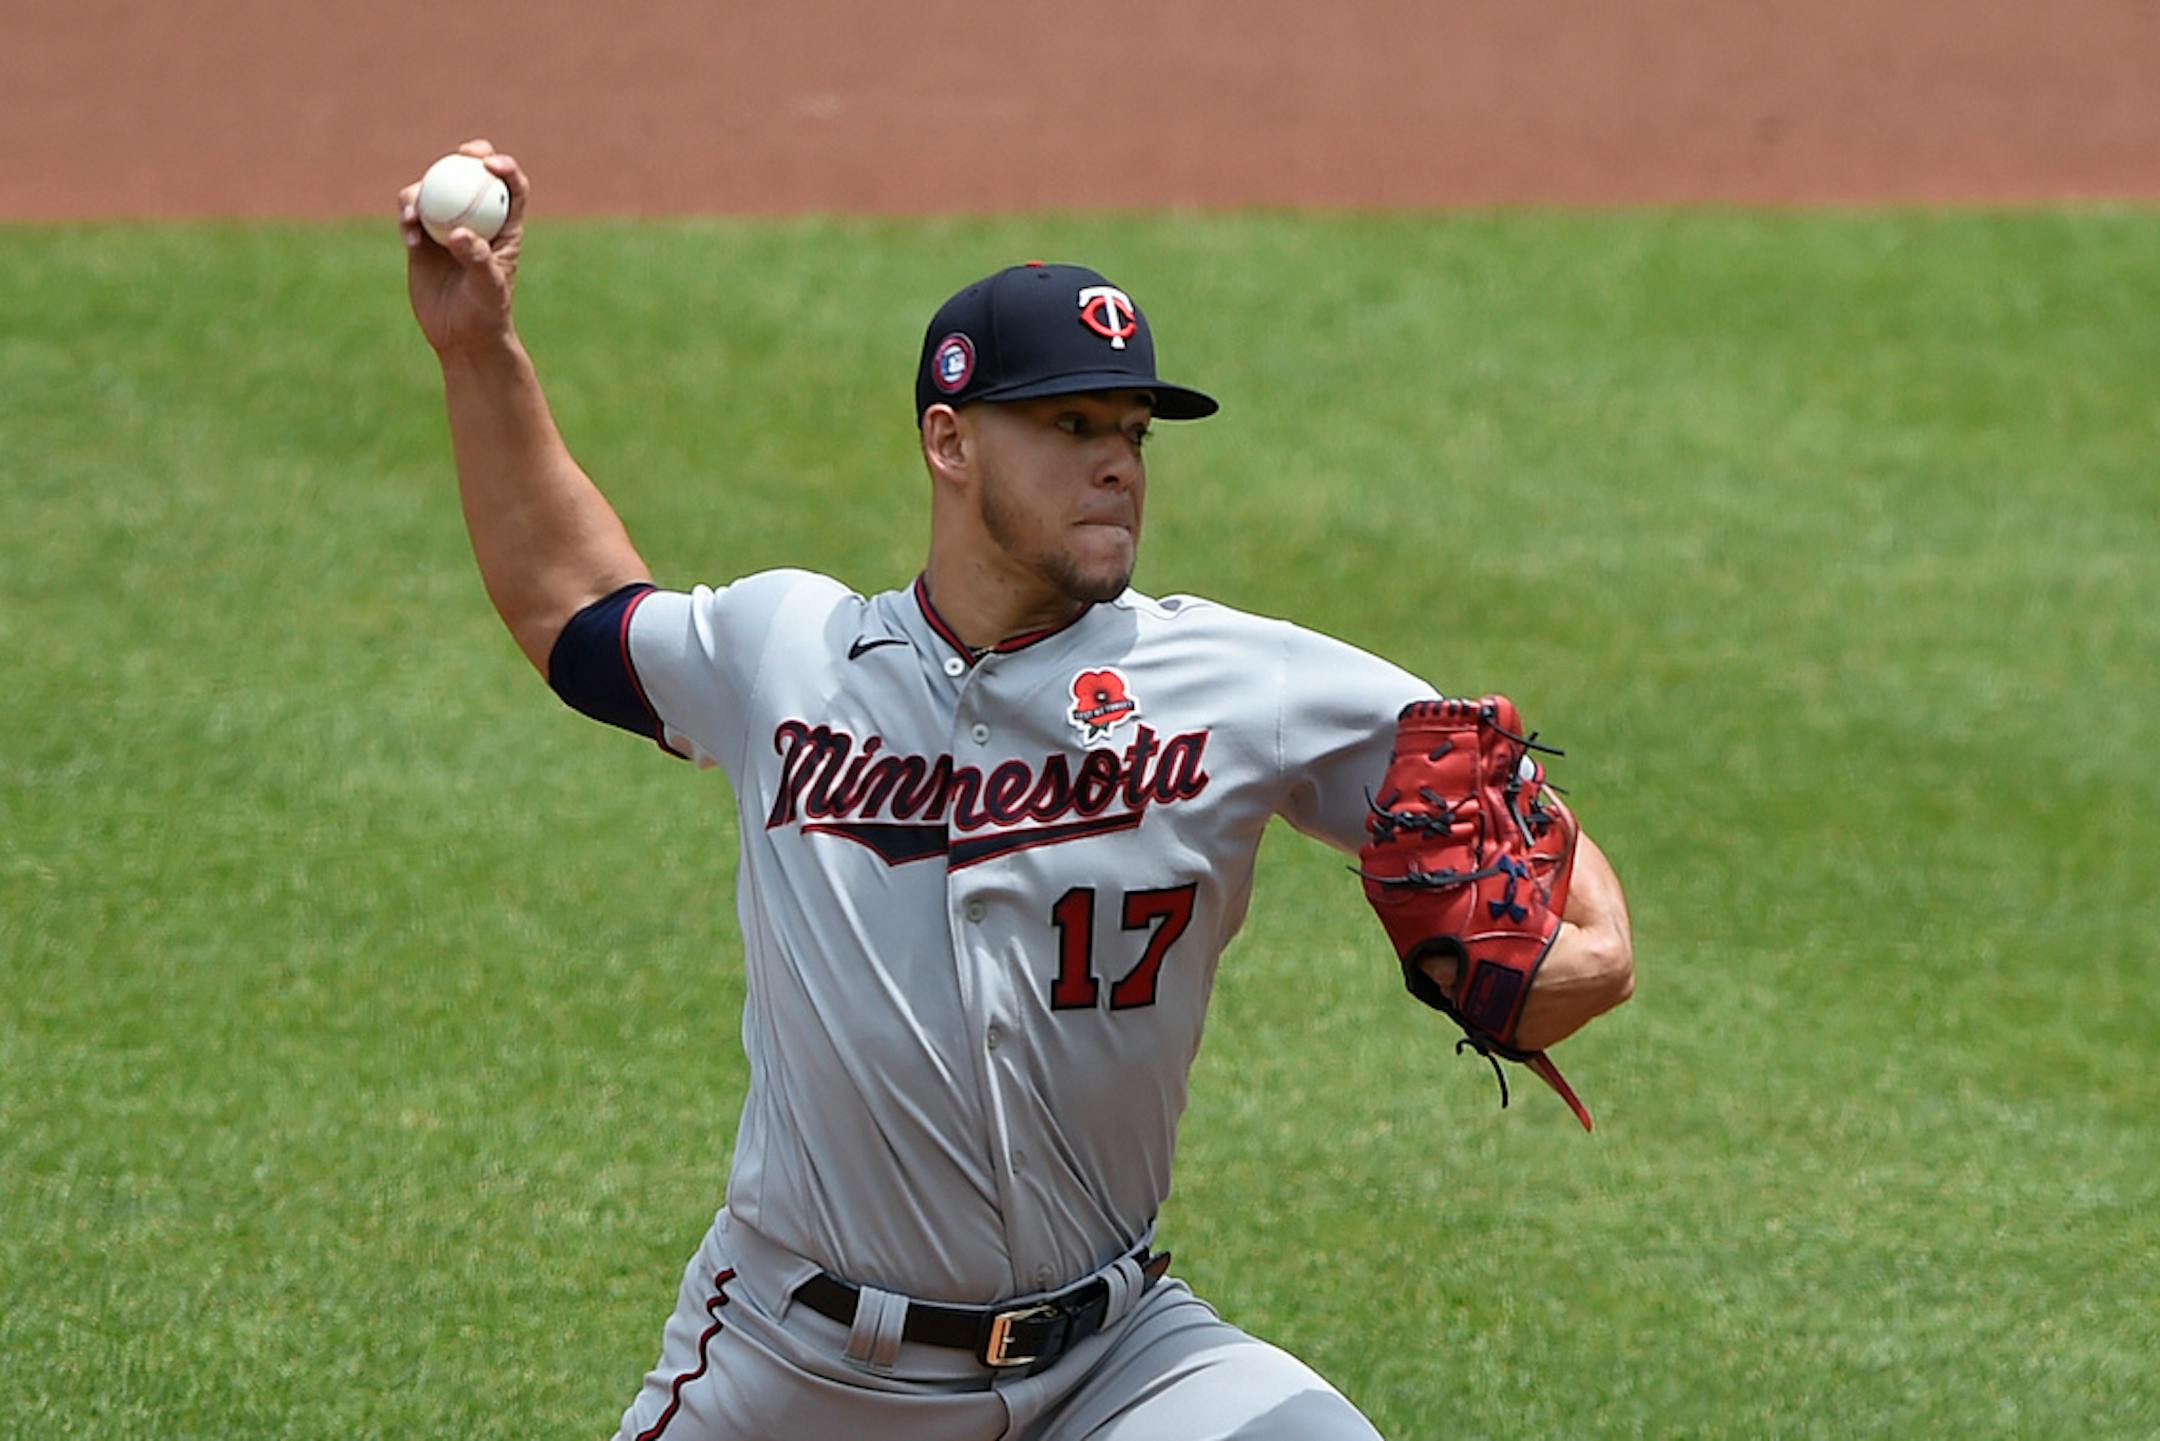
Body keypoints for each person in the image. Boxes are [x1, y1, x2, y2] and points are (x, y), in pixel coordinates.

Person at [398, 139, 1635, 1441]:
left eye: (1131, 433)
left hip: (1116, 1360)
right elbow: (576, 609)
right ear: (949, 440)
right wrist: (479, 348)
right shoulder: (788, 655)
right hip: (797, 1369)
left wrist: (1596, 948)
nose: (1119, 464)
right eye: (1069, 425)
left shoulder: (1236, 679)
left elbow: (1488, 784)